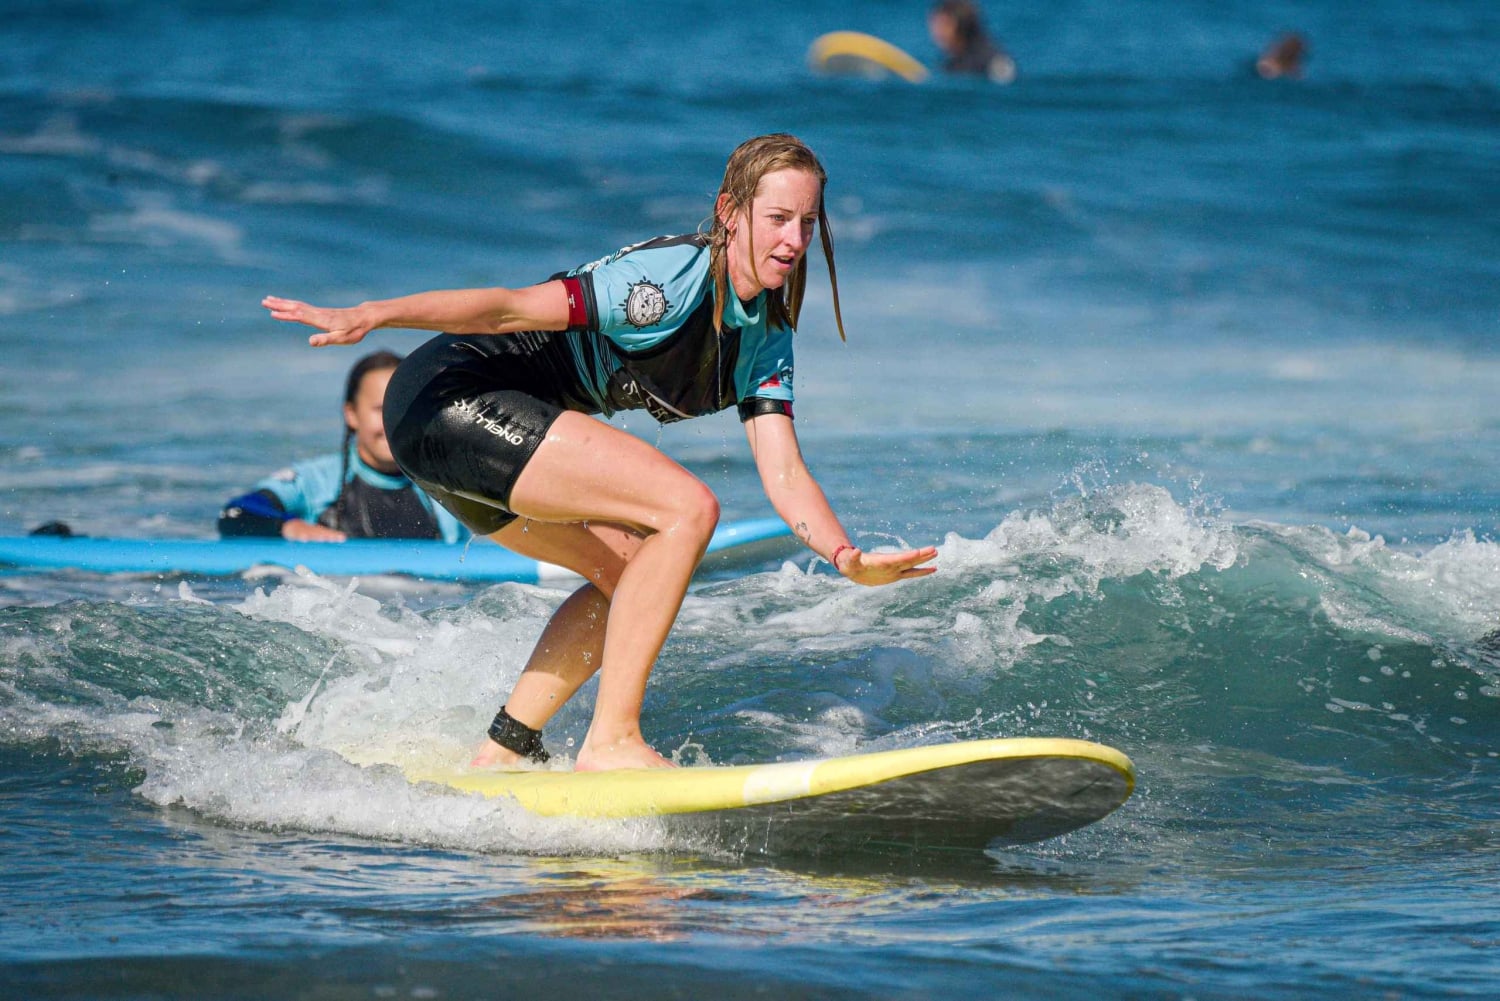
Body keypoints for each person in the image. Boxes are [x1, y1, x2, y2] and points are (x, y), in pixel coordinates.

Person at [261, 133, 939, 772]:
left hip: (464, 440)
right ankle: (612, 738)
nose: (794, 240)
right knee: (687, 508)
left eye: (808, 223)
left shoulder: (765, 339)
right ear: (730, 213)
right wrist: (374, 314)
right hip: (448, 397)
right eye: (778, 218)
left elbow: (785, 471)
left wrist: (846, 558)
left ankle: (505, 746)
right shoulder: (665, 283)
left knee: (631, 575)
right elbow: (505, 308)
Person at [218, 350, 468, 543]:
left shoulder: (449, 491)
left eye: (405, 409)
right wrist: (287, 527)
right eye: (381, 410)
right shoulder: (317, 480)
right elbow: (235, 516)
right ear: (351, 414)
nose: (394, 424)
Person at [928, 0, 1017, 84]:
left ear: (962, 24)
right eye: (935, 24)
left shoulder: (992, 59)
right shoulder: (953, 63)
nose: (937, 31)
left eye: (944, 24)